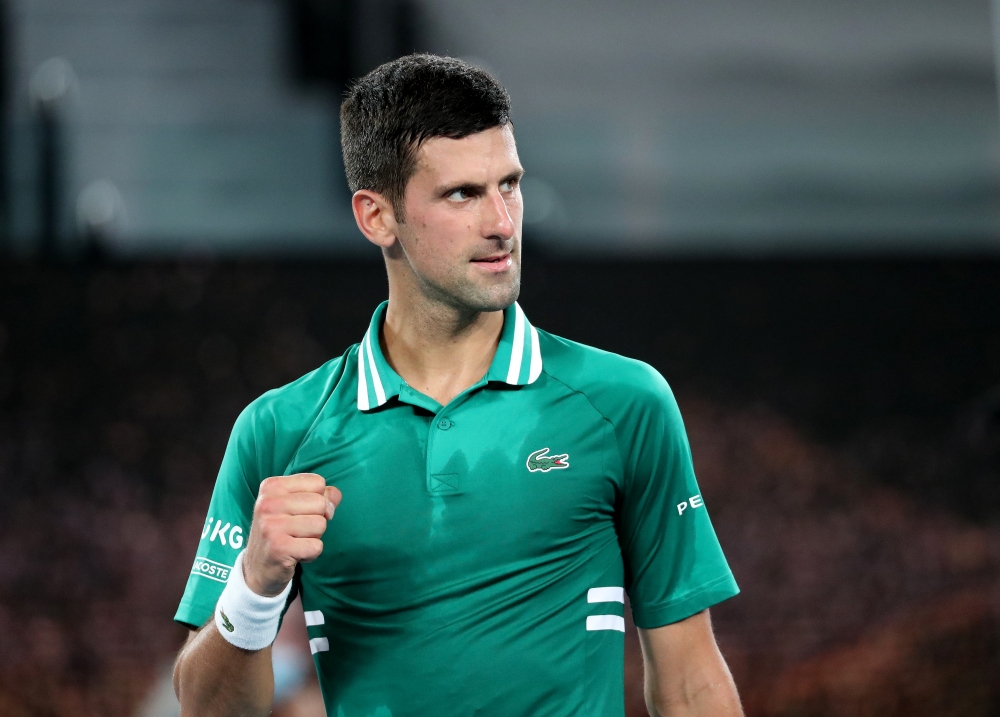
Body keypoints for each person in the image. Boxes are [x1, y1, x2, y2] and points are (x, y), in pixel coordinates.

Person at [172, 54, 743, 717]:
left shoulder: (626, 404)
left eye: (510, 184)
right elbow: (208, 710)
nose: (502, 221)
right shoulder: (279, 431)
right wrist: (256, 586)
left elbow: (691, 681)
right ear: (376, 216)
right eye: (463, 194)